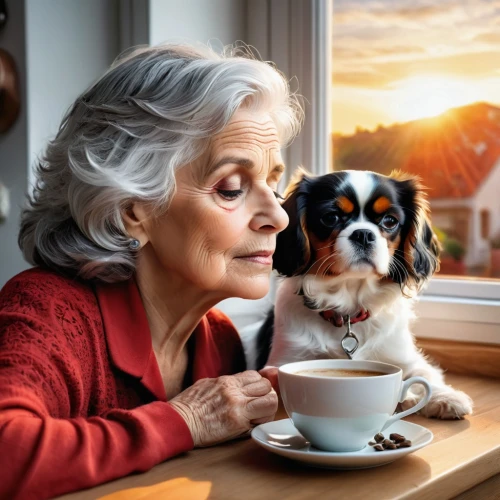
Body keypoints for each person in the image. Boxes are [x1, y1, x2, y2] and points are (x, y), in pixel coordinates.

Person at [0, 42, 302, 499]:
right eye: (231, 188)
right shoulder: (47, 312)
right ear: (133, 211)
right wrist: (186, 419)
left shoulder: (217, 340)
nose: (278, 217)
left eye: (273, 183)